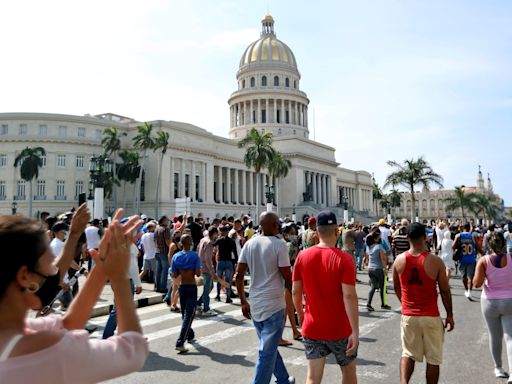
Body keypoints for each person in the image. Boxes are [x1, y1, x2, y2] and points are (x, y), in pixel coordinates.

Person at [0, 210, 148, 382]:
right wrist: (119, 277)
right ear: (24, 277)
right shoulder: (50, 350)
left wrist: (101, 268)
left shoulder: (15, 330)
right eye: (50, 264)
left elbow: (68, 323)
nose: (55, 272)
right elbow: (133, 351)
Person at [292, 211, 359, 384]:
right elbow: (349, 296)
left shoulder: (302, 256)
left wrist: (300, 312)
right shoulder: (344, 260)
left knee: (313, 377)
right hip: (339, 327)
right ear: (337, 232)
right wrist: (355, 331)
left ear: (316, 233)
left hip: (312, 326)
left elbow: (295, 291)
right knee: (348, 370)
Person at [236, 212, 295, 384]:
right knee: (266, 351)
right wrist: (292, 300)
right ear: (274, 225)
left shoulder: (250, 243)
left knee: (269, 347)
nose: (278, 226)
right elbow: (287, 276)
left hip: (255, 303)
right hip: (274, 305)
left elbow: (238, 275)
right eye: (277, 223)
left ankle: (283, 379)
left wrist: (243, 301)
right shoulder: (279, 245)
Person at [393, 222, 454, 384]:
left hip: (409, 315)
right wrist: (449, 315)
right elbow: (445, 291)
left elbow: (397, 288)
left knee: (408, 354)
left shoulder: (399, 260)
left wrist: (406, 303)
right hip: (431, 315)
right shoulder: (435, 262)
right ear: (425, 237)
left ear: (407, 238)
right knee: (433, 359)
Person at [473, 232, 512, 382]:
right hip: (509, 300)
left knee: (495, 336)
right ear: (503, 243)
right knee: (510, 337)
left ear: (489, 244)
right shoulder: (511, 258)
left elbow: (476, 283)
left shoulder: (484, 261)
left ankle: (498, 368)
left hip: (490, 301)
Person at [171, 234, 201, 353]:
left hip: (182, 287)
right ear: (191, 243)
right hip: (191, 287)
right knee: (189, 314)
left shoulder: (176, 256)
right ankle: (180, 342)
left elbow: (174, 275)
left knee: (185, 314)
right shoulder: (194, 256)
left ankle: (190, 334)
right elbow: (198, 273)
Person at [453, 223, 483, 300]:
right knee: (471, 276)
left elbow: (453, 246)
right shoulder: (473, 236)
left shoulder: (458, 236)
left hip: (462, 258)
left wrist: (459, 245)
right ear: (469, 228)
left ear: (463, 228)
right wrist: (483, 254)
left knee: (463, 276)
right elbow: (478, 247)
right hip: (471, 258)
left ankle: (466, 289)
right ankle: (469, 291)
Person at [364, 231, 390, 311]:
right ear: (375, 239)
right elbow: (383, 258)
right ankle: (383, 304)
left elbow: (367, 258)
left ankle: (368, 303)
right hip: (378, 268)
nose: (380, 238)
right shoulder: (379, 246)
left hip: (370, 268)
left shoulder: (370, 246)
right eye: (379, 237)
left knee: (373, 287)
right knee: (382, 287)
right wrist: (385, 269)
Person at [197, 226, 219, 316]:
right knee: (207, 288)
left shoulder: (203, 239)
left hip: (201, 266)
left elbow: (198, 250)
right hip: (206, 268)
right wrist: (212, 271)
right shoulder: (209, 243)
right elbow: (208, 259)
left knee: (209, 287)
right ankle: (206, 309)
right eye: (216, 233)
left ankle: (199, 303)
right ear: (214, 233)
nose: (217, 236)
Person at [214, 225, 238, 304]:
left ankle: (218, 296)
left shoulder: (219, 240)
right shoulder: (231, 241)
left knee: (219, 279)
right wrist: (236, 262)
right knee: (228, 280)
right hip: (228, 261)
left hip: (220, 260)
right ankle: (228, 297)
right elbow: (235, 252)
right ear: (227, 232)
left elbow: (213, 245)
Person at [154, 216, 172, 293]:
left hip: (157, 251)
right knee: (165, 270)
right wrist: (171, 248)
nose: (168, 221)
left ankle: (157, 286)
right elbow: (168, 241)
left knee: (158, 270)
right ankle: (163, 287)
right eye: (167, 220)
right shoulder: (166, 229)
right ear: (164, 221)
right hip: (164, 252)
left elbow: (154, 240)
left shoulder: (157, 228)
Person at [139, 221, 157, 286]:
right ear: (151, 227)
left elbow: (142, 246)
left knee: (144, 271)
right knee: (155, 272)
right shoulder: (153, 235)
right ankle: (156, 285)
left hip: (146, 256)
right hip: (153, 255)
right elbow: (155, 244)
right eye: (154, 227)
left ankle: (136, 284)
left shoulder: (143, 236)